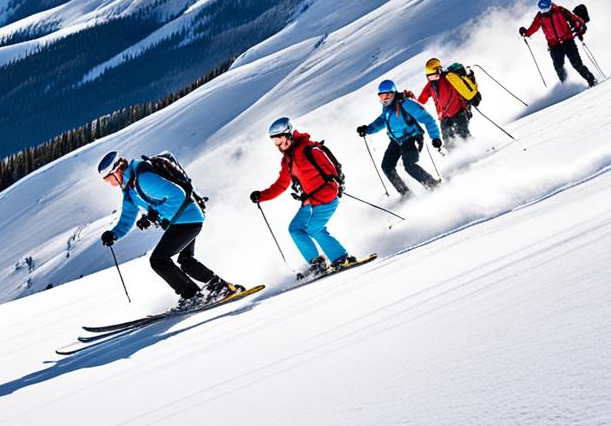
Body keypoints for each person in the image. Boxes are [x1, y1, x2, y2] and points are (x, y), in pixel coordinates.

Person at [97, 151, 241, 309]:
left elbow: (177, 195)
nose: (107, 183)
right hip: (184, 221)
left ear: (117, 170)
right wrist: (113, 234)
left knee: (158, 260)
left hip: (187, 219)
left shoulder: (143, 178)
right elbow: (127, 217)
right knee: (186, 261)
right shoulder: (129, 189)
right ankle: (221, 289)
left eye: (106, 179)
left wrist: (157, 215)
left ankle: (192, 296)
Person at [250, 118, 357, 279]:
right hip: (310, 202)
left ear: (289, 134)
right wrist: (261, 196)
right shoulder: (288, 159)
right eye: (274, 141)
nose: (278, 144)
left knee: (314, 228)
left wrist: (336, 186)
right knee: (295, 229)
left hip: (325, 196)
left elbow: (331, 169)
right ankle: (317, 263)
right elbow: (281, 184)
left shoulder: (308, 149)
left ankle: (341, 258)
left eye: (280, 139)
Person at [357, 79, 442, 197]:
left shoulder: (405, 103)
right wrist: (367, 129)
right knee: (387, 166)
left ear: (393, 93)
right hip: (397, 141)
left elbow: (427, 119)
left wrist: (435, 137)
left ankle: (433, 185)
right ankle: (406, 194)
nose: (384, 99)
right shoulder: (387, 108)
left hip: (412, 138)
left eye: (387, 95)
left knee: (409, 165)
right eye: (381, 96)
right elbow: (382, 121)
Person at [520, 0, 596, 86]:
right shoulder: (540, 16)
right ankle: (566, 87)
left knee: (577, 64)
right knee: (559, 67)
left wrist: (579, 25)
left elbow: (572, 17)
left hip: (567, 40)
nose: (543, 12)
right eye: (541, 10)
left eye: (545, 10)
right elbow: (535, 26)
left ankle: (591, 80)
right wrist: (527, 33)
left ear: (550, 6)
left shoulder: (560, 10)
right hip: (554, 45)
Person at [416, 58, 471, 146]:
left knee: (463, 133)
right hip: (444, 117)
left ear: (439, 71)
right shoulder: (430, 85)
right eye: (430, 77)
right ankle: (452, 154)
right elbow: (421, 99)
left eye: (435, 76)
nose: (433, 79)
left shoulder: (449, 78)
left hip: (458, 111)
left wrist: (468, 102)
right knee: (448, 139)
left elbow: (462, 88)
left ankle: (473, 148)